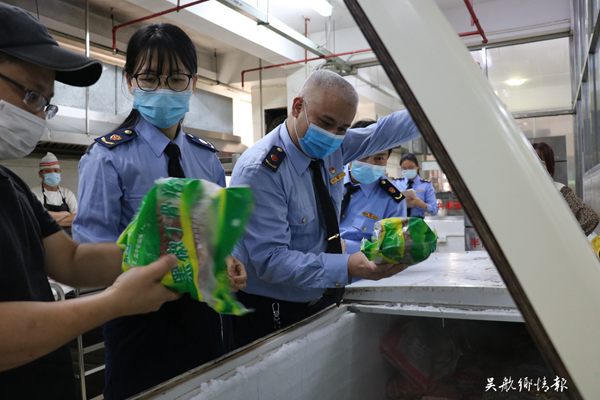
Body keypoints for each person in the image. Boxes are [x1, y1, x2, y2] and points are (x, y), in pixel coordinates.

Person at [0, 4, 181, 400]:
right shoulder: (109, 155)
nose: (38, 118)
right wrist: (114, 302)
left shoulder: (8, 185)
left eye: (45, 104)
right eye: (30, 94)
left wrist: (168, 249)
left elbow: (71, 261)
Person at [73, 22, 247, 400]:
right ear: (131, 82)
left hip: (203, 318)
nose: (162, 89)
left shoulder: (206, 160)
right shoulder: (107, 158)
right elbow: (87, 256)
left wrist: (226, 258)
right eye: (150, 78)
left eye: (175, 78)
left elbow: (213, 236)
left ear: (193, 83)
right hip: (138, 322)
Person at [229, 70, 421, 348]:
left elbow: (384, 131)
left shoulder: (333, 147)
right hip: (272, 308)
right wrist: (349, 266)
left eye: (342, 128)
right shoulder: (262, 171)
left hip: (320, 296)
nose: (332, 136)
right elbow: (271, 261)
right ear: (298, 107)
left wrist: (435, 105)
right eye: (325, 122)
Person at [340, 119, 407, 255]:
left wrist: (347, 248)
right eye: (363, 156)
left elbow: (391, 250)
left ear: (387, 157)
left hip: (359, 273)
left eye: (379, 158)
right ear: (351, 151)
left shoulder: (393, 200)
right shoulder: (327, 181)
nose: (370, 163)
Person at [533, 142, 599, 235]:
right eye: (533, 162)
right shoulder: (522, 192)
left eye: (542, 163)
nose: (536, 166)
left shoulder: (560, 191)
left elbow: (590, 217)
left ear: (549, 167)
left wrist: (569, 238)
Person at [30, 152, 78, 235]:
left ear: (60, 172)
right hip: (43, 240)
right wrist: (66, 214)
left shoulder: (67, 193)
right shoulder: (34, 193)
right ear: (40, 174)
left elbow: (77, 218)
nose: (53, 173)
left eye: (56, 170)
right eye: (47, 171)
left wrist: (48, 222)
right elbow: (36, 216)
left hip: (67, 240)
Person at [394, 152, 438, 219]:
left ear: (417, 166)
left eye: (411, 167)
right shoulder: (396, 183)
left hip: (417, 223)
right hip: (399, 222)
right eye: (404, 168)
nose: (408, 170)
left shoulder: (426, 185)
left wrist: (422, 204)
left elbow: (435, 211)